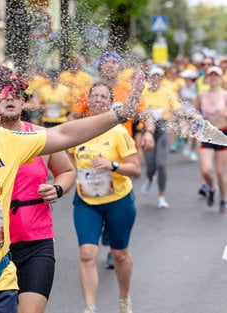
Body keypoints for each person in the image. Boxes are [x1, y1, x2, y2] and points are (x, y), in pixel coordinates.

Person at [0, 66, 145, 312]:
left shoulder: (6, 140)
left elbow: (63, 134)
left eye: (0, 102)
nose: (0, 109)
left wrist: (119, 114)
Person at [0, 77, 75, 313]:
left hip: (36, 240)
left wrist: (57, 188)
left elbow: (67, 171)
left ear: (24, 103)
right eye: (4, 95)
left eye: (16, 95)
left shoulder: (41, 137)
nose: (10, 98)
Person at [69, 82, 140, 313]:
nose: (98, 99)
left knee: (119, 254)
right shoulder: (76, 128)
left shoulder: (119, 131)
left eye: (103, 96)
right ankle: (90, 307)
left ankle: (123, 297)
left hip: (118, 200)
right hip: (87, 200)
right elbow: (70, 162)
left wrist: (112, 165)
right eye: (94, 96)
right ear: (88, 100)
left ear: (110, 102)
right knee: (87, 253)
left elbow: (135, 168)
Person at [140, 66, 182, 208]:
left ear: (162, 78)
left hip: (163, 129)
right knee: (150, 166)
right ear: (149, 78)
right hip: (147, 131)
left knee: (161, 164)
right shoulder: (143, 92)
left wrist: (182, 115)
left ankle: (161, 196)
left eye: (159, 76)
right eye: (153, 76)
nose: (156, 79)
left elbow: (176, 107)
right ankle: (149, 179)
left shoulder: (167, 92)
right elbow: (138, 109)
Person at [195, 66, 227, 213]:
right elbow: (194, 111)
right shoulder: (201, 95)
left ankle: (222, 199)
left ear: (220, 79)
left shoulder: (225, 95)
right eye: (211, 75)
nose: (213, 78)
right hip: (207, 135)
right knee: (206, 170)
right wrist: (197, 117)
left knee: (220, 172)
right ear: (207, 78)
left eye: (216, 75)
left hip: (223, 135)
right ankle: (212, 188)